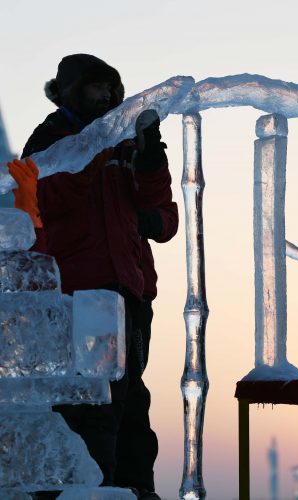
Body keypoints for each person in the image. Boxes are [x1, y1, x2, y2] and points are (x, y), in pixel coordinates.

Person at [20, 54, 178, 500]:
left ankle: (136, 489)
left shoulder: (126, 144)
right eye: (96, 86)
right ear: (69, 91)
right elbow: (49, 200)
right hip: (81, 293)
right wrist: (93, 150)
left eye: (113, 87)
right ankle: (89, 490)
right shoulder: (49, 141)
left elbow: (166, 218)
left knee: (131, 402)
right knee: (91, 402)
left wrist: (149, 159)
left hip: (131, 294)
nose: (107, 96)